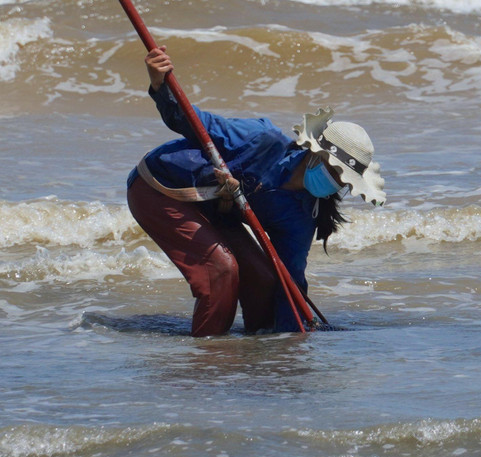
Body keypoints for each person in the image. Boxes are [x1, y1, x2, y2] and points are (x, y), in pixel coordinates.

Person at [126, 46, 385, 335]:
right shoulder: (260, 139)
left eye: (343, 181)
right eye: (335, 171)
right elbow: (192, 122)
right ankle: (208, 355)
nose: (336, 183)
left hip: (216, 211)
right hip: (160, 188)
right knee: (221, 270)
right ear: (315, 153)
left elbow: (290, 280)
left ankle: (257, 352)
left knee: (263, 279)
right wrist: (160, 84)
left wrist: (292, 337)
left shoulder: (301, 216)